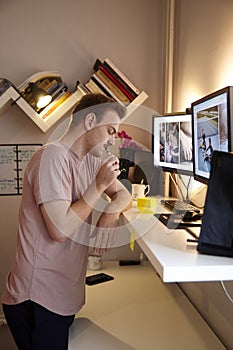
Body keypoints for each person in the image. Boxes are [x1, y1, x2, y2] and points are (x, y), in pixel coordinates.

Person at [1, 93, 132, 350]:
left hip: (62, 294)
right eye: (109, 131)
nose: (112, 141)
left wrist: (111, 212)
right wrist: (98, 188)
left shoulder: (91, 161)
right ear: (90, 120)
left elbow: (124, 193)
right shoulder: (52, 156)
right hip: (38, 297)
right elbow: (59, 230)